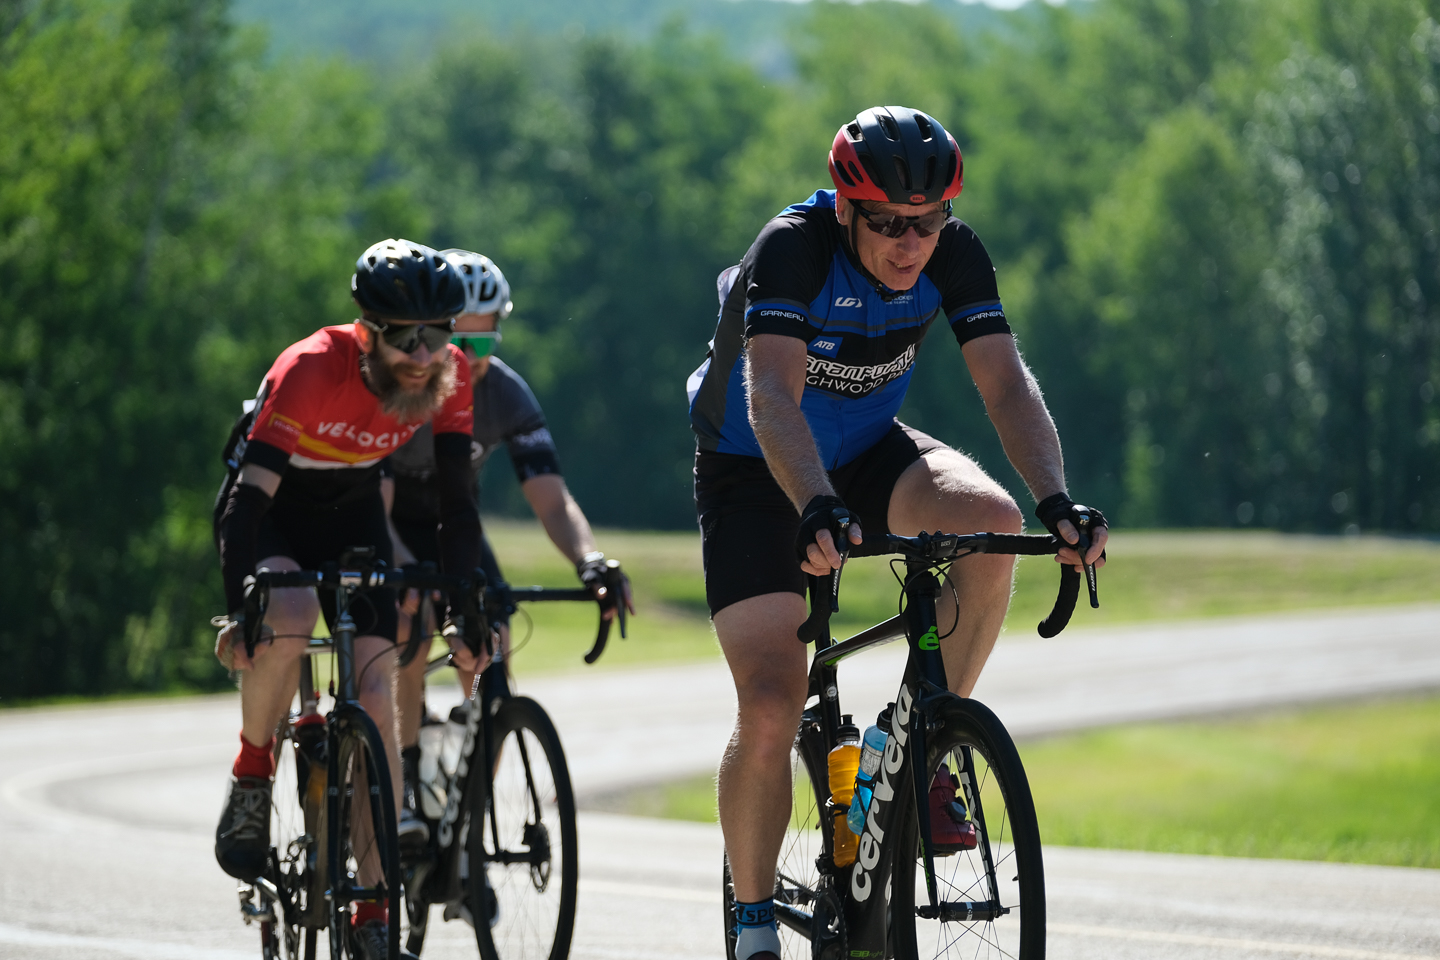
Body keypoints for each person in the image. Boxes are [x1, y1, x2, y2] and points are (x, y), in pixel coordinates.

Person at [685, 106, 1109, 960]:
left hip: (873, 450)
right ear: (847, 206)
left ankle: (924, 747)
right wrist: (812, 503)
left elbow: (1005, 387)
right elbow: (771, 397)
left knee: (992, 525)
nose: (910, 240)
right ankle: (754, 919)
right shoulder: (793, 248)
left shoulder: (955, 252)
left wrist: (1059, 499)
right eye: (887, 222)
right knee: (772, 701)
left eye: (928, 220)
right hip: (758, 465)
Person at [212, 239, 481, 958]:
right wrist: (242, 606)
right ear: (367, 334)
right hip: (275, 512)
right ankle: (252, 768)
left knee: (374, 678)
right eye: (406, 338)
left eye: (440, 334)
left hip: (353, 511)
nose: (425, 355)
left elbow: (458, 506)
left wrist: (465, 607)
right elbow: (245, 506)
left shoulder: (449, 375)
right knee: (292, 618)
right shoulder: (308, 371)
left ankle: (372, 904)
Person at [384, 248, 632, 833]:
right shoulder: (404, 387)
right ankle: (405, 776)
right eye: (455, 346)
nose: (469, 361)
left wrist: (590, 560)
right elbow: (373, 503)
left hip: (455, 524)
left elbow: (551, 497)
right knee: (409, 631)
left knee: (494, 646)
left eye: (484, 346)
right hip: (390, 524)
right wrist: (402, 576)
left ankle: (464, 827)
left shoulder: (507, 396)